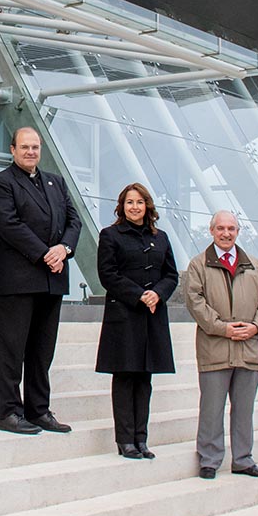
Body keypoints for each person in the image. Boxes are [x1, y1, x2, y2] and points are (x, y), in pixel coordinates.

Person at [0, 127, 82, 435]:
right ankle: (10, 411)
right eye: (24, 147)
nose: (30, 152)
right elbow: (8, 225)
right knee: (12, 350)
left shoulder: (57, 182)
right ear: (12, 149)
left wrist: (63, 249)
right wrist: (45, 254)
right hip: (18, 281)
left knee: (42, 351)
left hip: (52, 281)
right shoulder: (0, 183)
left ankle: (39, 410)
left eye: (35, 147)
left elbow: (74, 221)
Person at [182, 209, 258, 479]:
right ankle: (209, 459)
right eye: (220, 228)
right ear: (211, 231)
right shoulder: (199, 265)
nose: (226, 233)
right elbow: (195, 302)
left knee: (244, 408)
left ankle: (243, 459)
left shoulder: (255, 266)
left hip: (249, 348)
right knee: (212, 407)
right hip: (215, 348)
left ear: (238, 232)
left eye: (231, 229)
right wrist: (223, 328)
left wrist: (256, 325)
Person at [94, 183, 178, 459]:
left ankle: (142, 439)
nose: (134, 207)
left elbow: (171, 275)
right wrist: (139, 294)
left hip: (153, 317)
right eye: (129, 202)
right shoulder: (110, 235)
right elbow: (108, 275)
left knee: (145, 380)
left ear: (147, 206)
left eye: (139, 202)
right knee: (125, 378)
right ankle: (125, 440)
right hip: (125, 316)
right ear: (121, 206)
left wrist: (157, 294)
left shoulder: (161, 237)